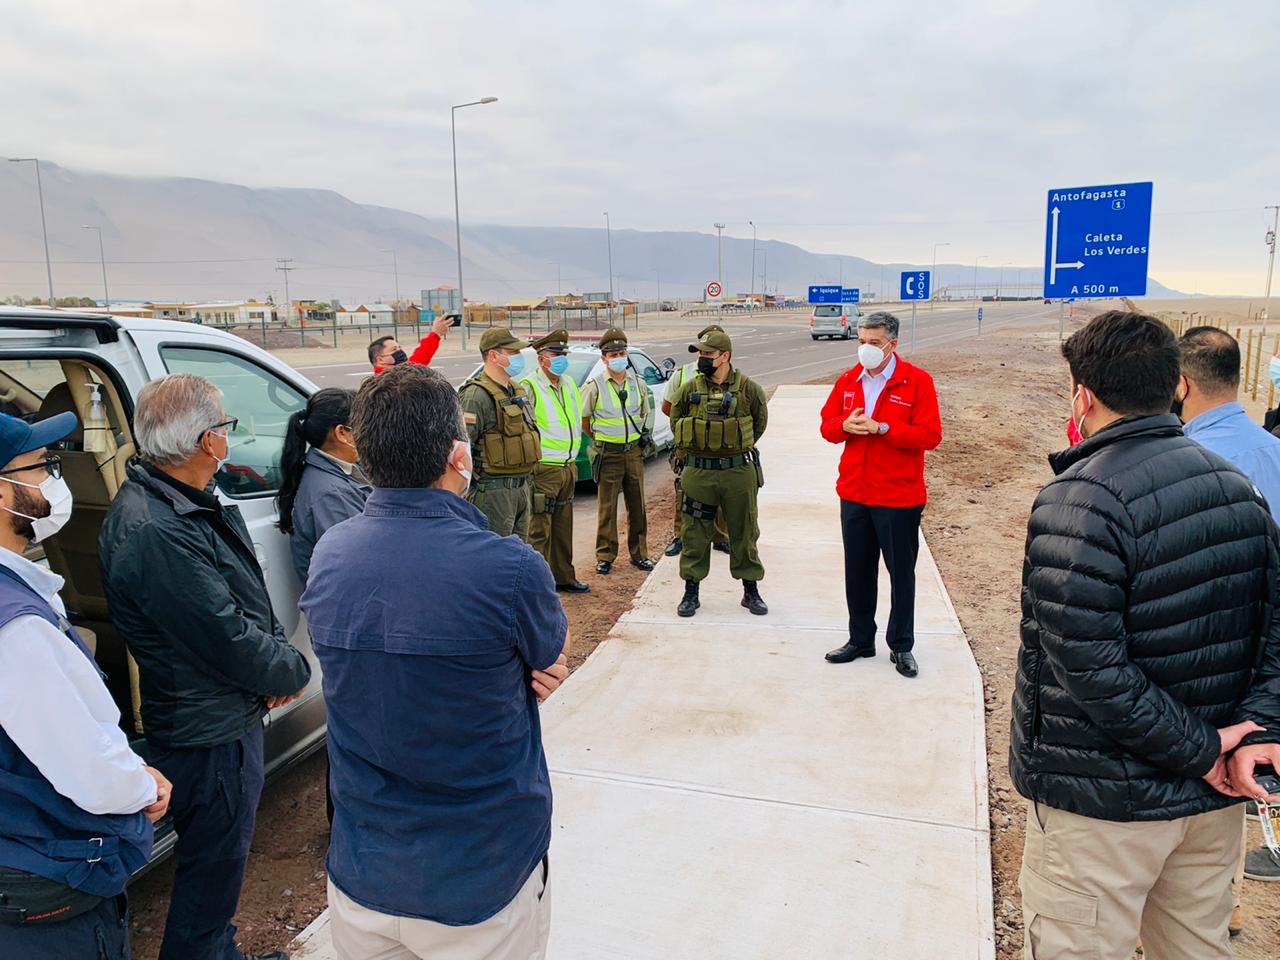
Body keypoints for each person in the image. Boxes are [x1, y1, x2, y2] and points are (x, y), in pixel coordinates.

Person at [1011, 310, 1280, 960]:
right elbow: (1273, 632)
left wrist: (1204, 746)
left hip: (1101, 808)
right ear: (1173, 387)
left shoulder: (1079, 500)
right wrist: (1256, 734)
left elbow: (1092, 669)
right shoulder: (1238, 489)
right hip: (1209, 803)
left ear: (1084, 395)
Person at [301, 364, 570, 959]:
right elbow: (548, 655)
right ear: (457, 454)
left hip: (366, 870)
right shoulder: (509, 568)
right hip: (481, 879)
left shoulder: (332, 553)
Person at [99, 373, 312, 960]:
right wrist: (288, 672)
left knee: (219, 867)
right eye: (225, 426)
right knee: (211, 872)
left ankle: (218, 950)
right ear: (204, 441)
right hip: (206, 734)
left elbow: (242, 605)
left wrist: (267, 669)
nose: (229, 437)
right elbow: (224, 636)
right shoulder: (156, 529)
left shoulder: (180, 500)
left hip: (220, 712)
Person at [0, 410, 170, 959]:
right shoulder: (16, 626)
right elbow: (86, 768)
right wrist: (144, 786)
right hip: (40, 867)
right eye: (40, 466)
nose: (55, 477)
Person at [1176, 325, 1280, 900]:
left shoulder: (1194, 461)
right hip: (1268, 654)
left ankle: (1218, 900)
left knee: (1215, 778)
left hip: (1211, 649)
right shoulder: (1273, 449)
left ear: (1181, 383)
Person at [819, 311, 941, 679]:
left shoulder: (916, 382)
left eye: (873, 343)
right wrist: (845, 425)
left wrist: (884, 427)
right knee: (857, 571)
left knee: (901, 574)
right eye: (861, 342)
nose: (866, 350)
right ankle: (860, 639)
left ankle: (901, 646)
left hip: (898, 498)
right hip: (855, 493)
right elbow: (827, 427)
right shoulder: (848, 381)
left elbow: (929, 436)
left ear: (892, 344)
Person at [667, 329, 769, 617]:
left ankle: (751, 591)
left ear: (725, 357)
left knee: (744, 530)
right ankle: (691, 593)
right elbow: (676, 423)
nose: (702, 359)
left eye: (708, 354)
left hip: (738, 471)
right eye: (700, 353)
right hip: (698, 473)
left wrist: (733, 448)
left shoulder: (749, 389)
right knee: (694, 533)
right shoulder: (688, 390)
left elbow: (759, 424)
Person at [275, 387, 370, 585]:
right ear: (342, 433)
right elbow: (359, 565)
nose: (371, 431)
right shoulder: (331, 495)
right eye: (365, 424)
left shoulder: (339, 473)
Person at [582, 327, 654, 574]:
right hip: (608, 453)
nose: (618, 358)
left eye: (621, 353)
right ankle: (605, 556)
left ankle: (640, 554)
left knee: (638, 505)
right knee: (607, 507)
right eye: (612, 355)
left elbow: (644, 413)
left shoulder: (638, 384)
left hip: (633, 452)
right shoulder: (595, 386)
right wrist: (602, 438)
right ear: (604, 359)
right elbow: (585, 420)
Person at [521, 329, 589, 593]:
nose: (561, 358)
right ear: (541, 359)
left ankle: (564, 577)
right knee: (539, 531)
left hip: (567, 467)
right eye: (555, 354)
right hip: (544, 469)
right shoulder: (530, 386)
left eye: (563, 354)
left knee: (563, 527)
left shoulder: (570, 384)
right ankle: (537, 586)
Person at [458, 328, 541, 540]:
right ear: (494, 355)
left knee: (518, 554)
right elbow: (462, 447)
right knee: (493, 557)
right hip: (493, 493)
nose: (519, 357)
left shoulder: (516, 390)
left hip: (522, 488)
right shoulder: (476, 396)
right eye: (513, 353)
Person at [662, 323, 730, 558]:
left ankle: (720, 537)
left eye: (710, 351)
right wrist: (688, 428)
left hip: (720, 446)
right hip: (689, 447)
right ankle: (680, 536)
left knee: (721, 493)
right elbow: (668, 407)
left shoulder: (730, 376)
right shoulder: (683, 374)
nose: (705, 355)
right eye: (703, 349)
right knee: (684, 491)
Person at [367, 313, 455, 373]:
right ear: (380, 359)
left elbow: (419, 358)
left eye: (399, 348)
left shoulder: (401, 372)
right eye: (394, 349)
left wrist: (436, 334)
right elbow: (419, 359)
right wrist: (435, 334)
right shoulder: (388, 382)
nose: (400, 351)